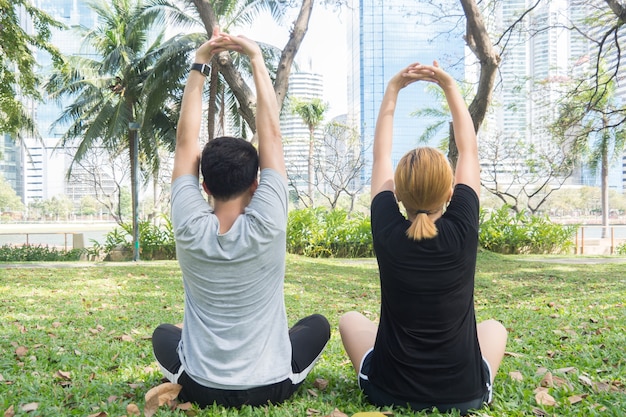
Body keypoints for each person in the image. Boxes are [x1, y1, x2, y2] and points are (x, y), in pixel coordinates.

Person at [151, 28, 330, 408]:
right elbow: (273, 139)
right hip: (273, 386)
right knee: (317, 325)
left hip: (202, 388)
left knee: (163, 335)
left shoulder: (188, 224)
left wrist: (201, 61)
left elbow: (185, 142)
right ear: (255, 182)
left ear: (203, 184)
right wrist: (256, 59)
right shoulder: (268, 222)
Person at [338, 61, 508, 415]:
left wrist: (393, 88)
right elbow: (469, 150)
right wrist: (449, 86)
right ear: (450, 193)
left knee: (350, 320)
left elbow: (380, 155)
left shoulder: (387, 229)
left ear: (396, 193)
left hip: (388, 392)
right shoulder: (462, 226)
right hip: (465, 396)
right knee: (494, 328)